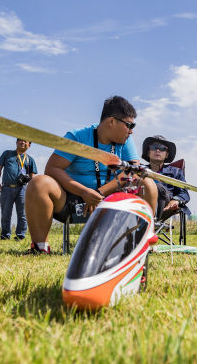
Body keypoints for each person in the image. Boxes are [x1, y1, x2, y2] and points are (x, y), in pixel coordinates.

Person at [24, 96, 156, 254]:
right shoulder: (76, 137)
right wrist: (84, 192)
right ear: (111, 122)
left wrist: (100, 192)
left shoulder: (126, 140)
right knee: (39, 183)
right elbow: (52, 168)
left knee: (147, 183)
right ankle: (40, 248)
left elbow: (134, 172)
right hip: (73, 198)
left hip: (111, 198)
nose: (131, 130)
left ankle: (142, 246)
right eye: (129, 125)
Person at [0, 139, 37, 240]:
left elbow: (33, 176)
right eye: (20, 140)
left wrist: (31, 189)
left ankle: (20, 235)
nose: (22, 143)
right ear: (16, 142)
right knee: (5, 213)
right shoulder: (7, 154)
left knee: (22, 213)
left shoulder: (29, 159)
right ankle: (5, 235)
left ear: (29, 145)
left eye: (25, 141)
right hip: (7, 188)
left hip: (23, 189)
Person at [141, 134, 191, 220]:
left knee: (159, 188)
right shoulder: (140, 170)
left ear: (167, 154)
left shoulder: (176, 172)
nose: (157, 150)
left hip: (165, 207)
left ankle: (151, 220)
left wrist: (175, 200)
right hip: (142, 205)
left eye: (162, 148)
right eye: (154, 147)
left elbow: (184, 193)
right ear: (148, 152)